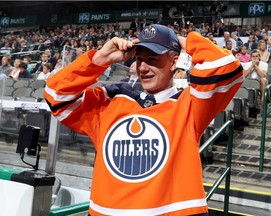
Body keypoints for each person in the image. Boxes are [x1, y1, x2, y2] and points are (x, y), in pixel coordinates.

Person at [44, 24, 243, 216]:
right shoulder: (110, 101)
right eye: (139, 59)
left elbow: (227, 67)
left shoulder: (190, 105)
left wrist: (181, 41)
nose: (143, 68)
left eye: (152, 59)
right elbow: (55, 95)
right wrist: (100, 59)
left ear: (174, 62)